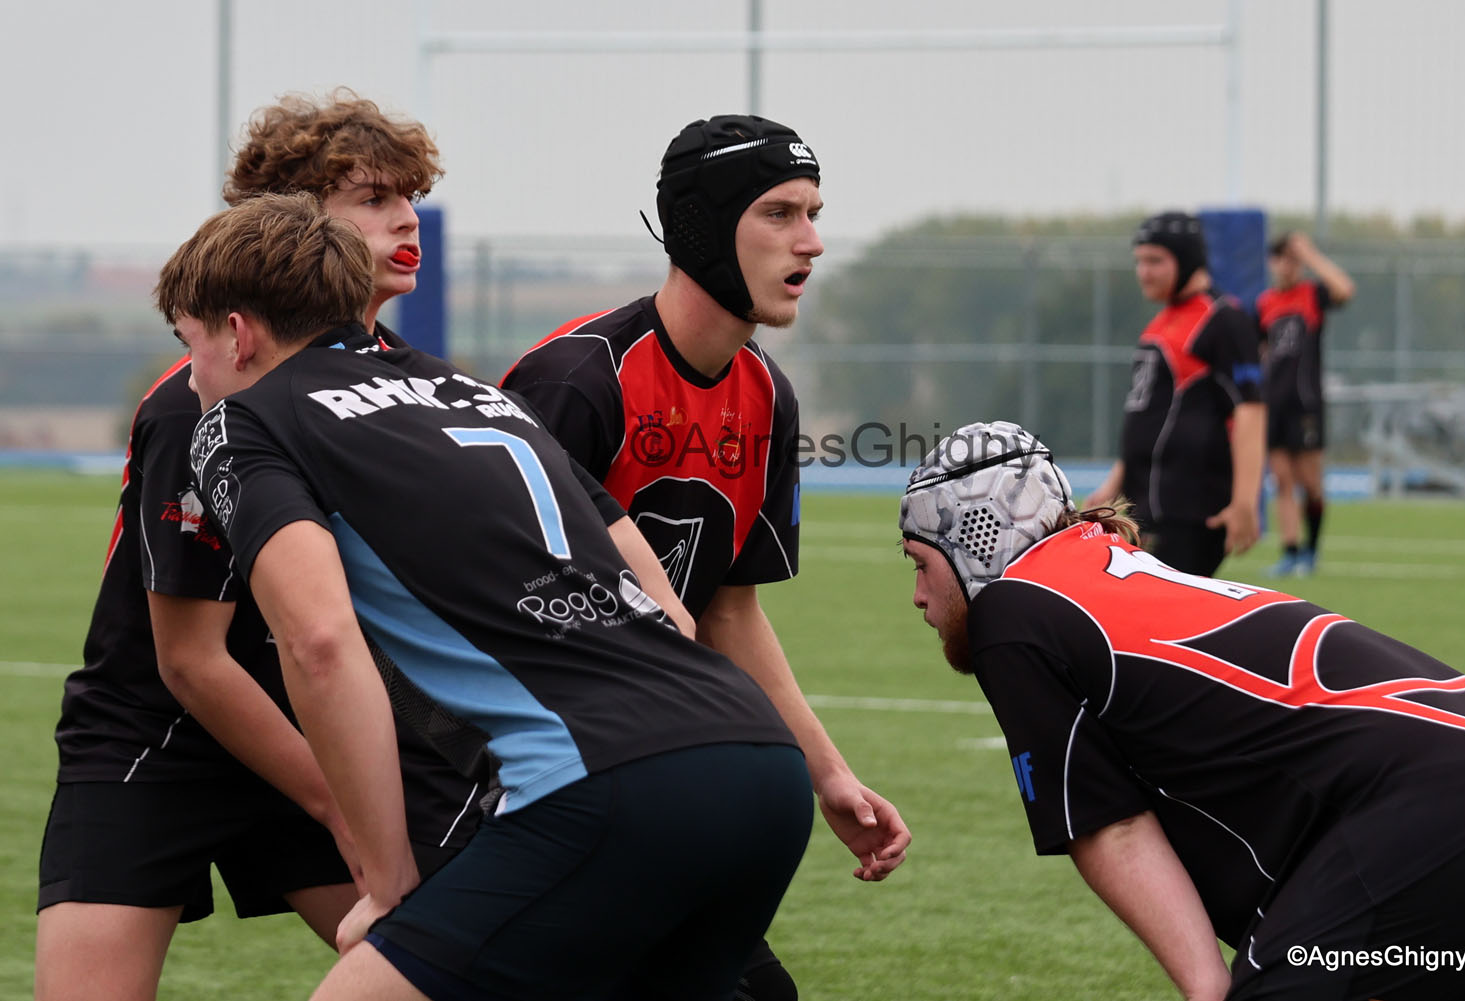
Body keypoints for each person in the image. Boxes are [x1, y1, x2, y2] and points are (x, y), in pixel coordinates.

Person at [161, 190, 814, 1001]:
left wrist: (388, 878)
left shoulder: (241, 423)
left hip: (606, 778)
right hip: (757, 760)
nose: (190, 377)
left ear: (237, 331)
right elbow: (671, 608)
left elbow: (319, 640)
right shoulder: (474, 392)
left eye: (188, 343)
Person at [35, 92, 485, 1001]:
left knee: (460, 978)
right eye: (372, 198)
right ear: (290, 222)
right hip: (157, 740)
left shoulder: (418, 388)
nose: (406, 219)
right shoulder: (200, 396)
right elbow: (190, 661)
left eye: (411, 196)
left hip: (316, 729)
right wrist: (343, 806)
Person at [501, 113, 911, 999]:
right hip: (538, 782)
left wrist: (830, 774)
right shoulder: (577, 381)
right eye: (780, 213)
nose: (812, 241)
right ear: (700, 227)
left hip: (647, 770)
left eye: (814, 213)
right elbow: (488, 608)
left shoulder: (767, 394)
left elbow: (729, 610)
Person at [900, 419, 1465, 1001]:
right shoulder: (1102, 566)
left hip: (1422, 806)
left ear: (975, 542)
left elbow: (1112, 827)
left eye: (922, 564)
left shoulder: (1013, 612)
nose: (919, 597)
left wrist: (1206, 985)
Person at [1083, 211, 1266, 577]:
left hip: (1188, 510)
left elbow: (1250, 411)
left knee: (1151, 608)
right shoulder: (1160, 324)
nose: (1143, 272)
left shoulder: (1223, 321)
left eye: (1155, 261)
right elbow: (1147, 419)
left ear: (1187, 260)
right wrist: (1112, 488)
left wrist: (1246, 502)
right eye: (1139, 261)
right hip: (1146, 506)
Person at [1256, 231, 1356, 577]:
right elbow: (1259, 351)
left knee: (1311, 483)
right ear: (1272, 263)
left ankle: (1312, 551)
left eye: (1293, 259)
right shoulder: (1265, 304)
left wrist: (1310, 254)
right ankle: (1290, 552)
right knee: (1282, 480)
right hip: (1274, 405)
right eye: (1282, 258)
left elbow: (1345, 289)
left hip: (1306, 404)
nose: (1288, 265)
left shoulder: (1312, 295)